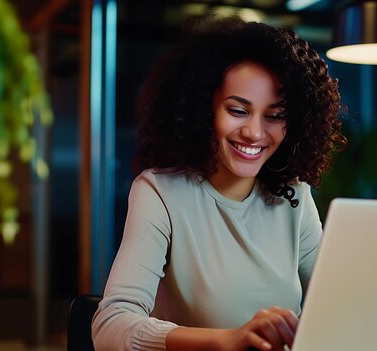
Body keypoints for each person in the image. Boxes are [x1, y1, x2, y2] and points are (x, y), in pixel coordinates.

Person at [91, 15, 346, 351]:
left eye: (274, 116)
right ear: (204, 109)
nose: (255, 132)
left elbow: (339, 307)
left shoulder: (294, 197)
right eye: (238, 111)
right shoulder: (159, 192)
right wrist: (227, 339)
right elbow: (111, 326)